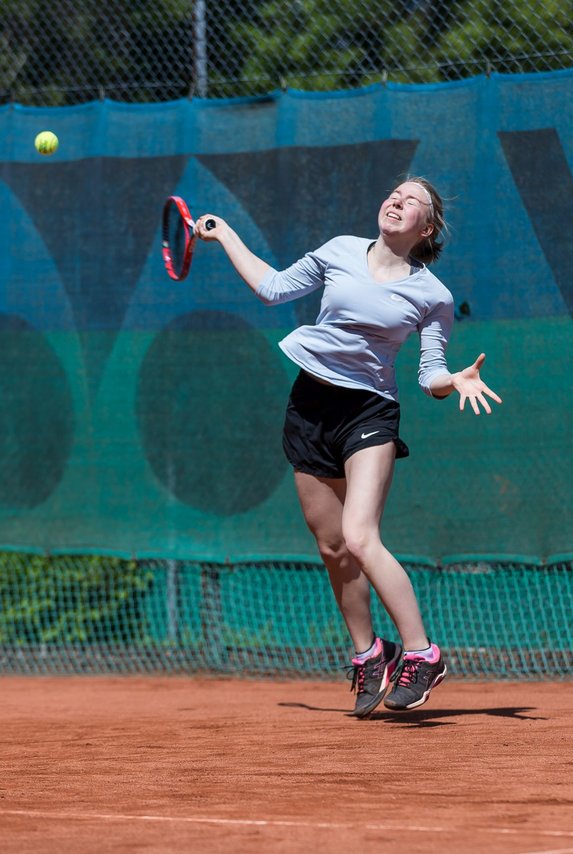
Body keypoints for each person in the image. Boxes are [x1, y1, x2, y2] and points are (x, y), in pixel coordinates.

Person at [194, 177, 501, 717]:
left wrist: (455, 379)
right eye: (394, 193)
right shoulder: (338, 250)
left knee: (360, 536)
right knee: (333, 547)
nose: (396, 199)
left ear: (424, 228)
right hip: (309, 406)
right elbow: (273, 289)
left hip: (369, 413)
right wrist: (226, 235)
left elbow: (429, 375)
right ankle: (369, 654)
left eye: (411, 201)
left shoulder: (434, 296)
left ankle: (422, 654)